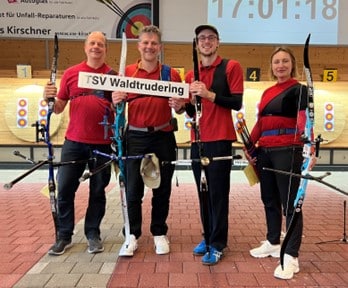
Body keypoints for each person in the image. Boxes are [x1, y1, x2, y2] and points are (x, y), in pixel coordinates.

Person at [175, 24, 244, 265]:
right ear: (197, 44)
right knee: (203, 192)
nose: (206, 41)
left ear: (218, 42)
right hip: (198, 140)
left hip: (220, 140)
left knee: (218, 194)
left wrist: (209, 93)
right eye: (202, 38)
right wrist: (182, 107)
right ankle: (208, 235)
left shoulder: (231, 67)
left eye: (211, 38)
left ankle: (217, 243)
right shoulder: (190, 76)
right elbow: (195, 113)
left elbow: (236, 103)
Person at [111, 25, 182, 256]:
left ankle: (159, 232)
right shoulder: (128, 72)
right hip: (135, 136)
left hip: (162, 136)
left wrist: (179, 105)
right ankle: (131, 235)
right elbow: (117, 107)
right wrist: (116, 99)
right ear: (139, 46)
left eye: (154, 43)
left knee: (161, 189)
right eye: (145, 42)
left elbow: (182, 109)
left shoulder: (171, 74)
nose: (149, 46)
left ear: (159, 47)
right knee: (133, 189)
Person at [43, 31, 115, 255]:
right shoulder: (72, 73)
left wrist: (118, 104)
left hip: (102, 144)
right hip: (74, 142)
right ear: (85, 47)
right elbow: (58, 107)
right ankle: (64, 235)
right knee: (64, 188)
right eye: (92, 43)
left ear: (105, 49)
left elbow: (119, 109)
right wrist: (48, 97)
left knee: (98, 191)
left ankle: (92, 233)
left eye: (100, 44)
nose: (96, 47)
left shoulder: (113, 76)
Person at [245, 46, 314, 280]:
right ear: (271, 66)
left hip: (288, 149)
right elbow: (261, 122)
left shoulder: (300, 90)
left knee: (290, 202)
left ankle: (291, 255)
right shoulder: (267, 92)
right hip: (265, 151)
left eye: (285, 61)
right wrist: (249, 146)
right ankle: (274, 241)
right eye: (276, 62)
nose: (280, 65)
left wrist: (309, 146)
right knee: (269, 199)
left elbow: (305, 120)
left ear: (292, 64)